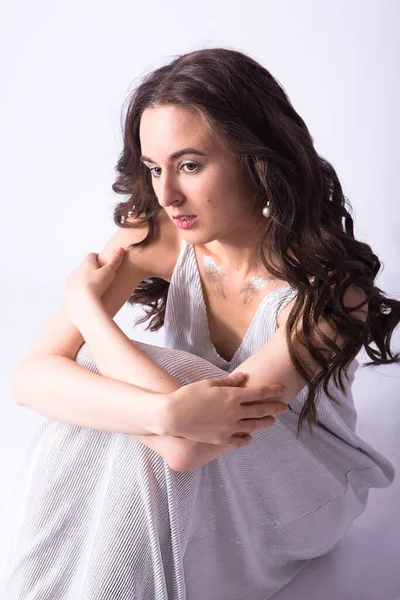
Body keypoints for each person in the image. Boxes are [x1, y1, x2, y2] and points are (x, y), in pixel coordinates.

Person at [1, 47, 398, 599]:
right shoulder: (156, 234)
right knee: (121, 419)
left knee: (107, 383)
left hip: (299, 488)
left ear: (257, 158)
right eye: (154, 168)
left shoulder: (331, 298)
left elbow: (192, 447)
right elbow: (29, 381)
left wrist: (87, 308)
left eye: (190, 165)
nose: (166, 195)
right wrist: (164, 411)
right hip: (182, 456)